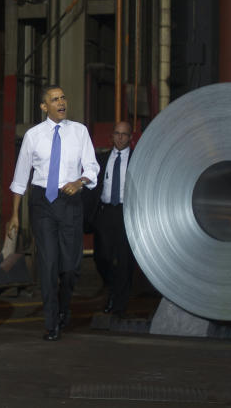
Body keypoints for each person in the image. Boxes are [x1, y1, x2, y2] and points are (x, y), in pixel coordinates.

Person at [8, 85, 99, 341]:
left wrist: (79, 182)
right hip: (42, 204)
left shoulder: (79, 132)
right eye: (55, 99)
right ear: (44, 106)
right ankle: (51, 323)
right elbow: (20, 177)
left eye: (63, 97)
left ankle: (63, 308)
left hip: (70, 202)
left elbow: (92, 167)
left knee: (70, 268)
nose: (61, 102)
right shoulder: (33, 136)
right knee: (48, 265)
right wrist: (14, 215)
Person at [93, 121, 135, 316]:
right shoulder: (101, 159)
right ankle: (111, 287)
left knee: (125, 259)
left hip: (127, 213)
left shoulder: (137, 159)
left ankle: (119, 302)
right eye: (117, 134)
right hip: (105, 212)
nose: (120, 137)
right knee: (102, 256)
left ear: (130, 137)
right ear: (112, 136)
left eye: (124, 134)